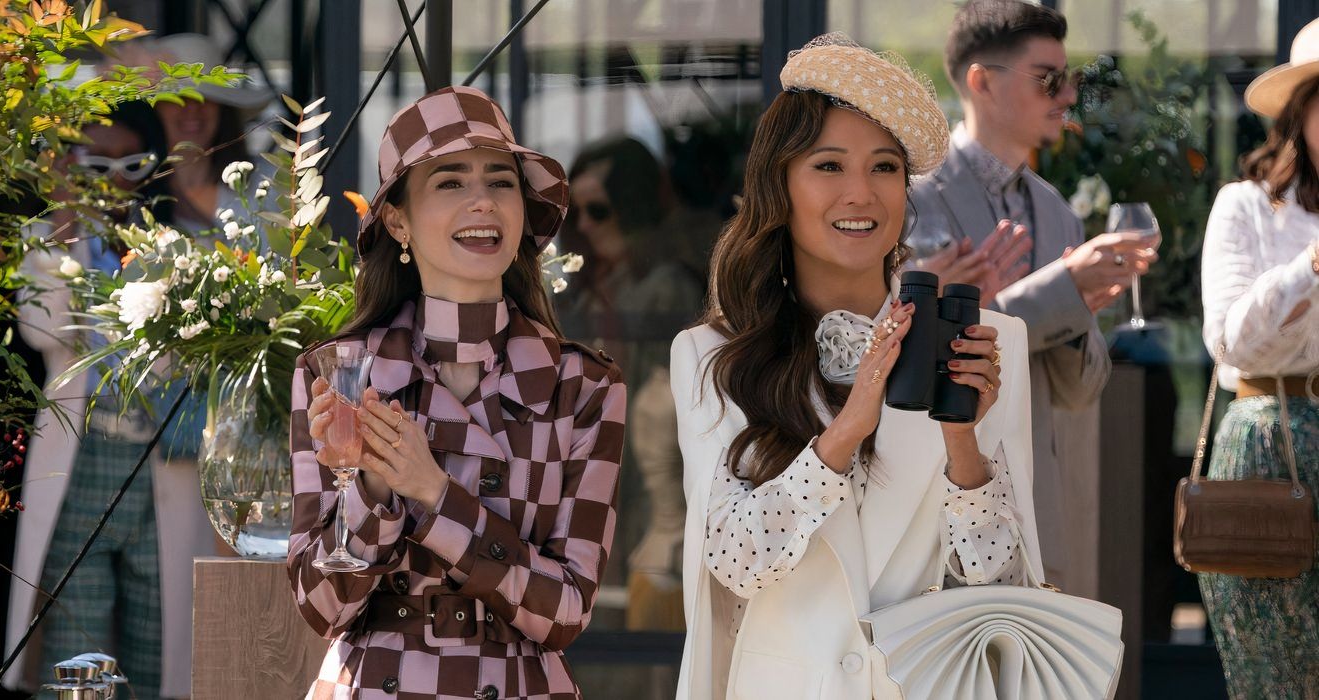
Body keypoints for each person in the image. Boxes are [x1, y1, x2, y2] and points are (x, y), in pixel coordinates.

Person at [673, 35, 1041, 699]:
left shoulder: (992, 343)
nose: (861, 194)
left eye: (883, 168)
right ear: (779, 184)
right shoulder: (711, 355)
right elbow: (733, 564)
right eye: (829, 166)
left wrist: (962, 442)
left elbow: (1004, 589)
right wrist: (843, 435)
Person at [287, 86, 627, 699]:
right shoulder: (337, 373)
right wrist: (375, 486)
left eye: (501, 182)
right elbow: (320, 607)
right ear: (397, 220)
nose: (483, 203)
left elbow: (567, 611)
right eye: (449, 183)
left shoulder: (584, 386)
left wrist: (435, 495)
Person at [907, 0, 1156, 592]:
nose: (1067, 95)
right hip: (935, 505)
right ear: (981, 81)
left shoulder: (1060, 214)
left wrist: (1077, 310)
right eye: (1048, 78)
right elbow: (915, 347)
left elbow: (1081, 390)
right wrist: (1061, 293)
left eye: (1068, 78)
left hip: (1040, 509)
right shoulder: (912, 198)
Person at [7, 101, 218, 700]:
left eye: (131, 162)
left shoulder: (184, 244)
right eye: (94, 163)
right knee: (80, 655)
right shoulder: (47, 241)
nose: (112, 179)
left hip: (164, 469)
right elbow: (43, 333)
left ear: (155, 166)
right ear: (69, 166)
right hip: (81, 467)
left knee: (162, 646)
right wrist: (62, 232)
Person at [1197, 18, 1319, 697]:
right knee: (1273, 679)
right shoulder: (1245, 207)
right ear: (1301, 112)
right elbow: (1231, 342)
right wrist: (1309, 268)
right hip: (1266, 445)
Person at [558, 136, 702, 632]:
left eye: (598, 210)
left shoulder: (665, 289)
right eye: (576, 211)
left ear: (633, 207)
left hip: (647, 492)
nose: (584, 225)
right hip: (586, 487)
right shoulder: (581, 295)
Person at [149, 33, 271, 229]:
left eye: (205, 98)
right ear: (153, 110)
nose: (193, 109)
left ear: (222, 109)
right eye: (179, 98)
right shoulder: (128, 194)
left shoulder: (268, 183)